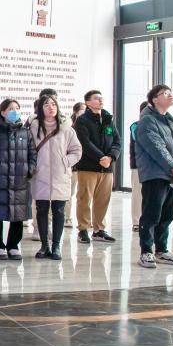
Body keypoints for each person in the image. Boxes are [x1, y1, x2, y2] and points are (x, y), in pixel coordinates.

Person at [135, 84, 173, 268]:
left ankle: (162, 250)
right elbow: (156, 147)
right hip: (155, 174)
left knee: (167, 215)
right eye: (165, 93)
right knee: (151, 215)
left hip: (170, 175)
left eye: (170, 92)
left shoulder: (170, 121)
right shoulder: (147, 121)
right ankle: (146, 252)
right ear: (154, 99)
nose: (170, 95)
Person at [28, 94, 82, 261]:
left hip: (60, 175)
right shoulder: (33, 128)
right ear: (40, 109)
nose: (51, 107)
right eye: (46, 104)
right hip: (40, 175)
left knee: (59, 211)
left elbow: (77, 150)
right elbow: (28, 149)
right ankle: (44, 245)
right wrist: (32, 166)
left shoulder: (67, 129)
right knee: (42, 210)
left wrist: (66, 162)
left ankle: (56, 245)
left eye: (53, 104)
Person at [0, 99, 36, 260]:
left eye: (17, 108)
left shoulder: (25, 132)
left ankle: (13, 246)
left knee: (18, 214)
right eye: (11, 108)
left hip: (20, 180)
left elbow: (32, 154)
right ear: (3, 112)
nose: (14, 111)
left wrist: (30, 170)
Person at [73, 90, 121, 244]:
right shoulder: (82, 120)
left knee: (103, 199)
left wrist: (111, 157)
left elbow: (117, 141)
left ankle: (99, 229)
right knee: (84, 198)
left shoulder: (107, 119)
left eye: (101, 98)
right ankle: (83, 229)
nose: (100, 100)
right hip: (88, 166)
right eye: (96, 98)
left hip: (107, 168)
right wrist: (101, 157)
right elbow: (85, 143)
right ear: (87, 102)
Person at [128, 101, 148, 232]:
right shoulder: (136, 126)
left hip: (155, 167)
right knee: (138, 194)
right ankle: (137, 221)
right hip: (139, 165)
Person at [66, 101, 86, 228]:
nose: (84, 112)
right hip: (72, 166)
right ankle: (67, 217)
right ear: (75, 112)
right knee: (69, 192)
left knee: (81, 194)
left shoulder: (87, 125)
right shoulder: (69, 127)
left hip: (84, 166)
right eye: (82, 109)